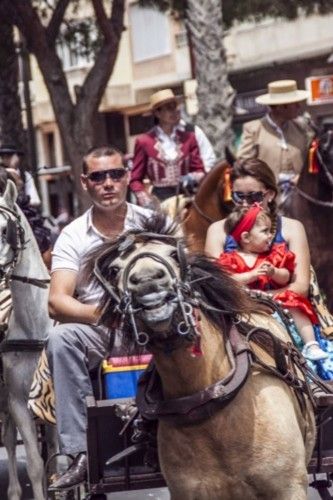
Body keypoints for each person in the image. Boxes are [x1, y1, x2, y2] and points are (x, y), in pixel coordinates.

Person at [46, 146, 152, 491]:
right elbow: (57, 301)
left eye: (115, 174)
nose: (108, 183)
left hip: (156, 325)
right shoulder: (73, 235)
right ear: (85, 183)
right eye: (98, 176)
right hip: (104, 330)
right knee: (61, 338)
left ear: (128, 177)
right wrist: (106, 315)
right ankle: (80, 453)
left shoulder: (150, 222)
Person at [205, 158, 333, 377]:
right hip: (236, 313)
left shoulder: (292, 228)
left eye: (254, 196)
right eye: (239, 196)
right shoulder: (218, 231)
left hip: (286, 313)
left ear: (270, 194)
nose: (245, 204)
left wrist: (265, 298)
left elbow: (300, 286)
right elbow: (215, 284)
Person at [218, 204, 327, 361]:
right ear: (246, 237)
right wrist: (252, 275)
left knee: (294, 302)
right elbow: (229, 281)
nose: (271, 235)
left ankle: (310, 345)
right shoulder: (230, 259)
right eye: (265, 231)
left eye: (271, 231)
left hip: (275, 299)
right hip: (246, 303)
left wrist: (274, 272)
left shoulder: (273, 255)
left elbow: (286, 277)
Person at [130, 88, 205, 207]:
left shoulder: (189, 138)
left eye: (175, 106)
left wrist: (191, 177)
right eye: (169, 108)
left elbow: (200, 170)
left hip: (186, 196)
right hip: (159, 200)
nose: (174, 111)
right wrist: (145, 200)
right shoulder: (143, 142)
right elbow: (135, 180)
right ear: (157, 113)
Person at [237, 80, 314, 185]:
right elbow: (244, 164)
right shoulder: (254, 130)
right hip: (270, 194)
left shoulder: (301, 127)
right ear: (280, 106)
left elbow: (313, 158)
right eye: (295, 103)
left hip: (301, 194)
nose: (298, 106)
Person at [0, 143, 52, 267]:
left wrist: (19, 188)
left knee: (40, 236)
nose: (5, 159)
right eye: (3, 156)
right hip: (3, 209)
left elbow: (35, 200)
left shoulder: (25, 175)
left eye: (9, 155)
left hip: (22, 209)